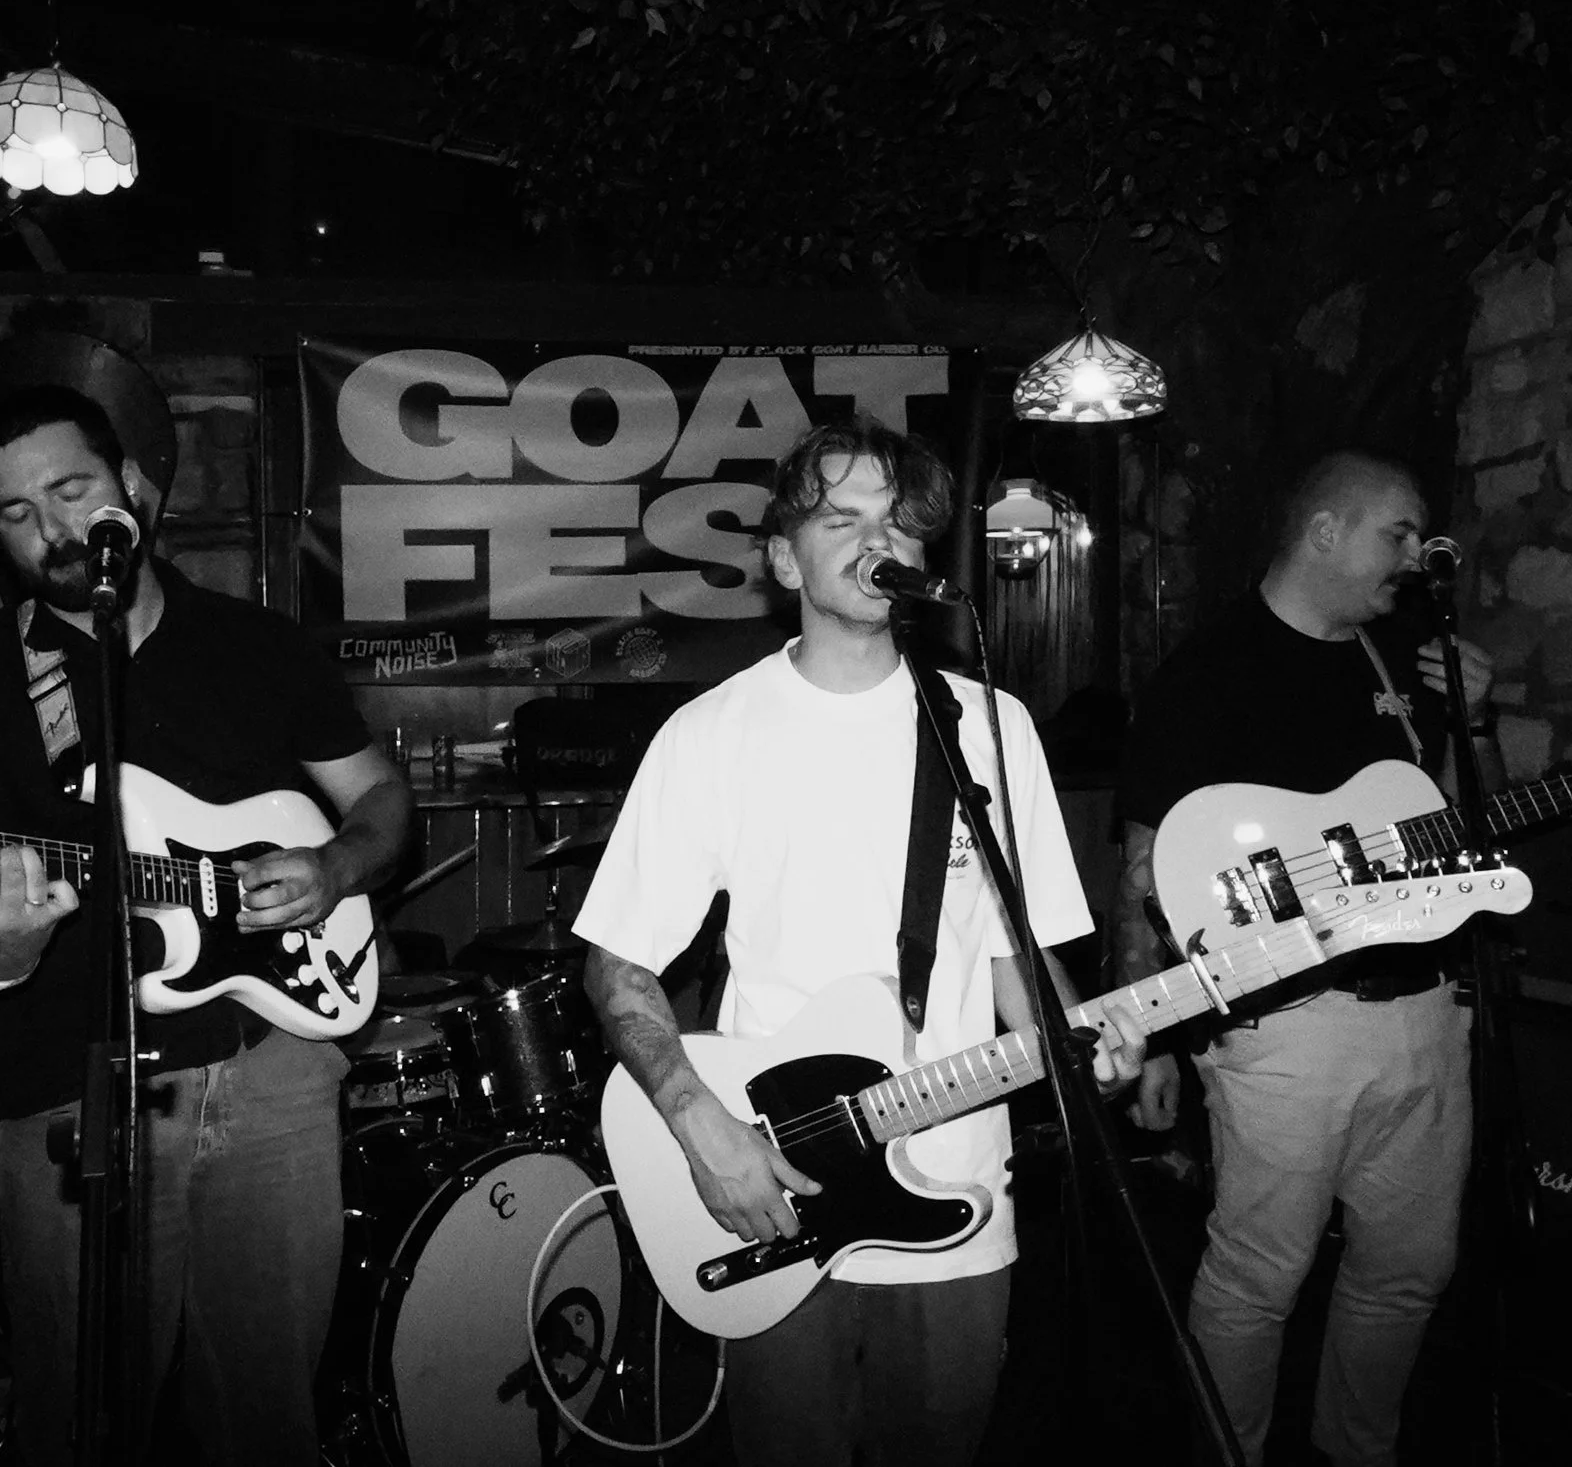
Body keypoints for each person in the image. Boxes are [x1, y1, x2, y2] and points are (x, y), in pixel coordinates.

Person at [575, 415, 1145, 1467]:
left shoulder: (989, 725)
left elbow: (1015, 953)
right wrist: (701, 1126)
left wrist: (1081, 1044)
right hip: (777, 1189)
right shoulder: (712, 734)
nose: (877, 538)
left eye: (896, 523)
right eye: (841, 516)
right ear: (783, 556)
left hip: (961, 1197)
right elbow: (615, 959)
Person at [0, 366, 411, 1466]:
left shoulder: (259, 646)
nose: (52, 527)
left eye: (73, 488)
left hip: (274, 1068)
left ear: (136, 486)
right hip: (72, 1101)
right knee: (84, 1426)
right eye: (16, 511)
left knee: (269, 1422)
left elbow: (383, 801)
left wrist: (333, 867)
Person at [1115, 449, 1500, 1467]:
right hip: (1285, 1025)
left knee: (1412, 1267)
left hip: (1421, 1006)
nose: (1415, 559)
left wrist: (1467, 725)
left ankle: (1355, 1450)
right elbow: (1144, 868)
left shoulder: (1401, 661)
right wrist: (1150, 1033)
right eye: (1398, 533)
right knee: (1259, 1276)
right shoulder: (1207, 671)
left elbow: (1447, 835)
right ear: (1323, 530)